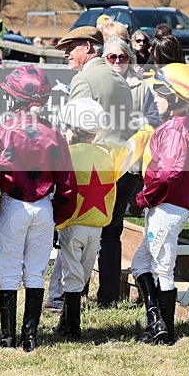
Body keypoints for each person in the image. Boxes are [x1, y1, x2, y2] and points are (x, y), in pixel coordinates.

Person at [0, 65, 77, 352]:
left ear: (14, 98)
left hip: (13, 206)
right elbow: (68, 182)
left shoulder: (3, 132)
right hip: (43, 207)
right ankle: (30, 337)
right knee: (35, 272)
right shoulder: (54, 134)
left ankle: (8, 338)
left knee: (8, 272)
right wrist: (58, 214)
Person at [51, 97, 148, 340]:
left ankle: (71, 325)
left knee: (71, 274)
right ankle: (68, 321)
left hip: (71, 224)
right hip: (97, 227)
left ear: (72, 128)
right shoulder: (108, 154)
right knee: (82, 272)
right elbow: (131, 150)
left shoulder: (65, 155)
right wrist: (146, 131)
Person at [55, 26, 136, 309]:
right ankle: (108, 297)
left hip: (91, 164)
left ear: (89, 47)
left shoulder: (85, 80)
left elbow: (73, 125)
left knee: (75, 232)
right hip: (119, 165)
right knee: (111, 235)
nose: (66, 53)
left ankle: (68, 298)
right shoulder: (119, 79)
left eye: (71, 46)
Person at [131, 62, 189, 345]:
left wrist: (143, 197)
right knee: (141, 263)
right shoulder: (177, 125)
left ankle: (164, 330)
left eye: (159, 94)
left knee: (161, 267)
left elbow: (170, 172)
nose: (155, 99)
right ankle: (157, 322)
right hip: (165, 205)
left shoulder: (176, 128)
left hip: (166, 205)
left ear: (173, 97)